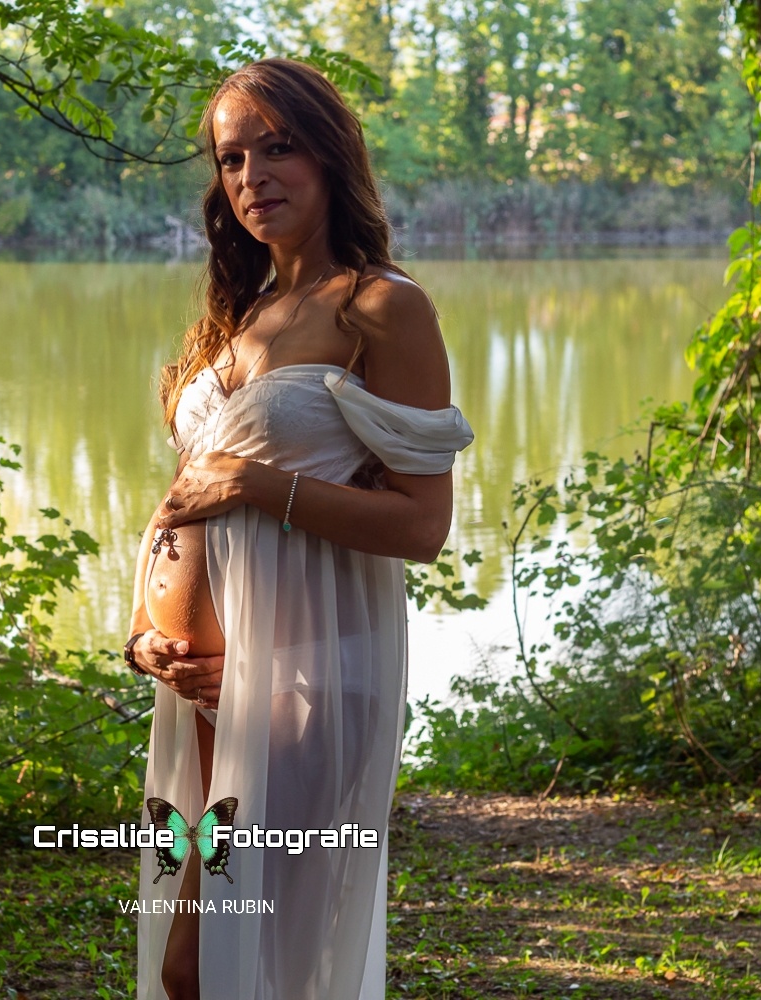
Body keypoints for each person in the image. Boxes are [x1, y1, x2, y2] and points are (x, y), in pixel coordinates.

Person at [122, 58, 475, 1000]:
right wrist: (145, 631)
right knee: (213, 965)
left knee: (226, 966)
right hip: (207, 686)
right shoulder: (239, 317)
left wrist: (258, 484)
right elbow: (185, 495)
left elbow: (423, 525)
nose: (253, 176)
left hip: (305, 676)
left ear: (329, 153)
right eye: (232, 158)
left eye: (277, 148)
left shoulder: (381, 306)